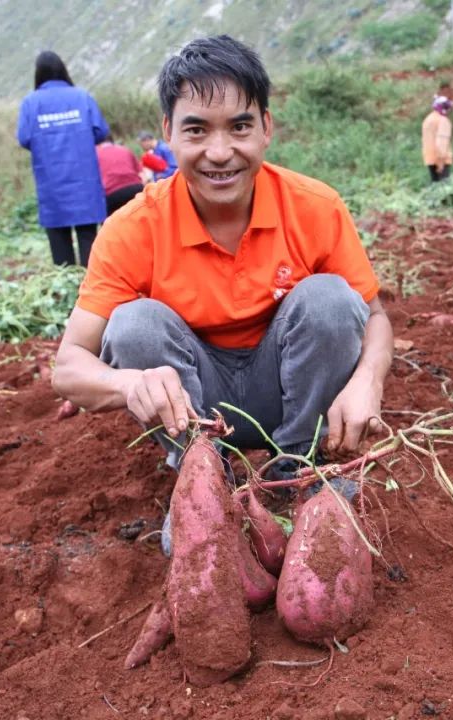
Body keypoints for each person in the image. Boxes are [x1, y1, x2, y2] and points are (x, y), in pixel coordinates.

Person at [53, 35, 393, 483]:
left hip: (291, 395)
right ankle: (204, 476)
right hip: (194, 404)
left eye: (239, 127)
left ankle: (302, 467)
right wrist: (129, 383)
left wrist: (368, 380)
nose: (219, 153)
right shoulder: (133, 228)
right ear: (169, 132)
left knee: (330, 300)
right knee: (135, 324)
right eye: (197, 130)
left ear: (266, 127)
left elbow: (375, 318)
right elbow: (69, 364)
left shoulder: (315, 207)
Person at [18, 51, 109, 266]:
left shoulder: (31, 103)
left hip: (52, 184)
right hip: (84, 182)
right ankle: (92, 283)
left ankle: (66, 280)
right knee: (88, 237)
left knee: (59, 239)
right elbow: (101, 131)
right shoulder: (82, 97)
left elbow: (24, 138)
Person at [96, 135, 146, 216]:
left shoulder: (95, 155)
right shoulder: (124, 150)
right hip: (135, 188)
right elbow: (142, 174)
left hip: (112, 193)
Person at [421, 96, 453, 182]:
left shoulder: (427, 120)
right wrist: (441, 163)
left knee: (435, 185)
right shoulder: (443, 121)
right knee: (444, 187)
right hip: (442, 160)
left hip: (429, 158)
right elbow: (441, 143)